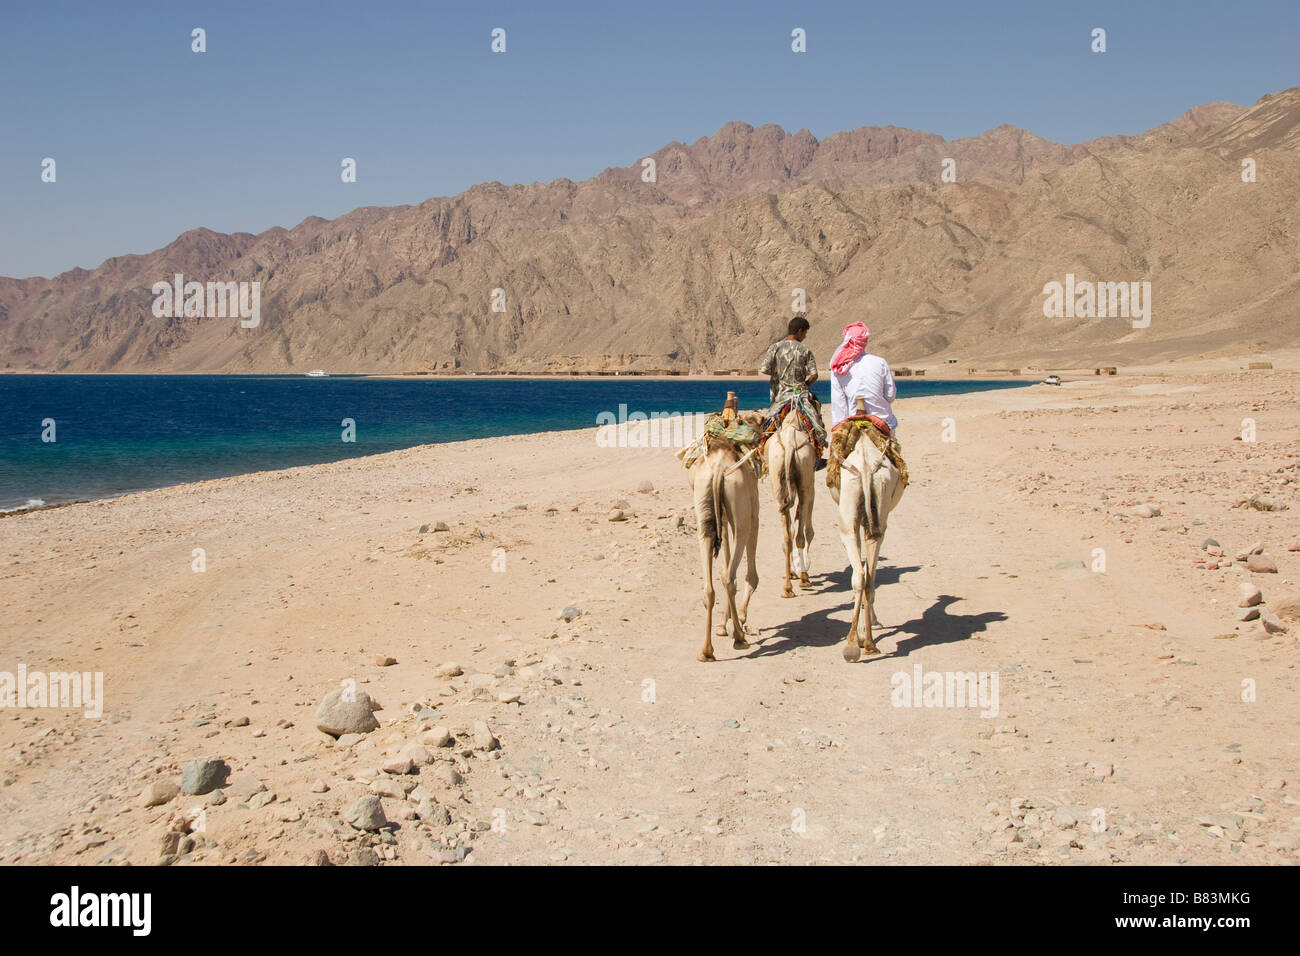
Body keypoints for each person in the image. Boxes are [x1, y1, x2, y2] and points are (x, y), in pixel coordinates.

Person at [759, 315, 828, 461]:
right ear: (800, 331)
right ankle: (818, 457)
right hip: (800, 398)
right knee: (817, 428)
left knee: (764, 430)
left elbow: (764, 369)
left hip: (780, 399)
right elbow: (814, 375)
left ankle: (762, 456)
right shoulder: (805, 350)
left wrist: (780, 375)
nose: (805, 337)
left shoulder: (775, 347)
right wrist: (805, 385)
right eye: (805, 333)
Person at [829, 322, 897, 433]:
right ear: (865, 341)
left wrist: (838, 429)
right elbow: (890, 396)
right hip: (882, 420)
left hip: (853, 422)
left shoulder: (839, 367)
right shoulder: (880, 362)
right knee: (893, 446)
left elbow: (839, 406)